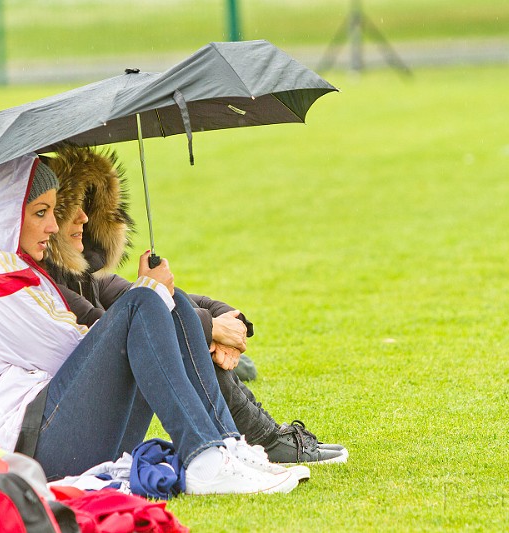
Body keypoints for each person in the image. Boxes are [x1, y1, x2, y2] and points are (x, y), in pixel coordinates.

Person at [0, 153, 303, 495]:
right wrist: (164, 309)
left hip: (39, 434)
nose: (53, 225)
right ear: (2, 214)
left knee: (166, 301)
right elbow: (79, 352)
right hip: (16, 449)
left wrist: (177, 310)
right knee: (147, 302)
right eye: (41, 213)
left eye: (53, 210)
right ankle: (205, 457)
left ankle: (223, 445)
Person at [44, 144, 348, 465]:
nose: (84, 216)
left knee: (177, 315)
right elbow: (123, 331)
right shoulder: (48, 286)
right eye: (70, 208)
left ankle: (252, 437)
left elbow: (184, 301)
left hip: (96, 411)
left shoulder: (86, 277)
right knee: (176, 329)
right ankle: (253, 440)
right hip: (76, 427)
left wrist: (232, 320)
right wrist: (213, 329)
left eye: (87, 204)